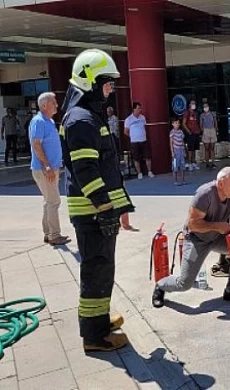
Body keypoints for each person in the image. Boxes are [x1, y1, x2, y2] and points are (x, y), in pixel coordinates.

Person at [60, 49, 134, 351]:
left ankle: (99, 319)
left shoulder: (88, 116)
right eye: (107, 83)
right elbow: (86, 170)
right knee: (96, 269)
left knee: (102, 268)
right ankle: (93, 336)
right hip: (92, 212)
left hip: (98, 211)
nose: (110, 90)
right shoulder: (81, 120)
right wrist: (104, 207)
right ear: (90, 81)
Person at [152, 167, 230, 307]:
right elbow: (193, 225)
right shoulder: (204, 195)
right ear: (220, 184)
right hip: (196, 239)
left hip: (216, 237)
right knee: (184, 283)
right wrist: (218, 226)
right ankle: (161, 286)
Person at [29, 93, 70, 246]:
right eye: (54, 103)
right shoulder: (39, 121)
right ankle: (54, 235)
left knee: (49, 202)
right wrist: (47, 166)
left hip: (50, 168)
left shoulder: (49, 121)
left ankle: (48, 233)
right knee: (54, 201)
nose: (56, 105)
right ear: (44, 105)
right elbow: (36, 144)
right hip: (45, 169)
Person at [124, 102, 154, 179]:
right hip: (134, 142)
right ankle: (139, 173)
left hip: (143, 140)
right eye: (138, 108)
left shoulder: (143, 117)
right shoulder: (128, 119)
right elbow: (125, 131)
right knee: (136, 158)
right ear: (134, 109)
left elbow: (144, 127)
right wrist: (132, 136)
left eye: (140, 108)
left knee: (148, 156)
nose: (140, 110)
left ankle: (149, 171)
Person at [183, 99, 201, 171]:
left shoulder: (196, 113)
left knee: (195, 149)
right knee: (190, 149)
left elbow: (198, 123)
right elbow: (183, 123)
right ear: (189, 104)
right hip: (190, 133)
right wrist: (189, 132)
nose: (193, 104)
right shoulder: (186, 113)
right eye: (192, 103)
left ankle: (194, 162)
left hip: (196, 133)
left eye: (194, 103)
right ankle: (189, 163)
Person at [200, 102, 218, 170]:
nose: (205, 108)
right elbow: (201, 124)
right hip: (206, 130)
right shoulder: (202, 115)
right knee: (206, 148)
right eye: (204, 107)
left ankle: (213, 162)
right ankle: (207, 163)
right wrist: (203, 131)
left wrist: (215, 130)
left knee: (212, 148)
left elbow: (215, 122)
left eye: (206, 106)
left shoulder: (213, 114)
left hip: (212, 130)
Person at [170, 117, 187, 185]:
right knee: (175, 166)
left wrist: (184, 150)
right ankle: (175, 180)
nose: (177, 124)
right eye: (176, 123)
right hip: (175, 151)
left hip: (181, 150)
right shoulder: (172, 132)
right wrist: (172, 152)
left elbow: (182, 141)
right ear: (172, 124)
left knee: (182, 165)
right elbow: (171, 143)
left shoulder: (181, 132)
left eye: (178, 123)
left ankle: (183, 179)